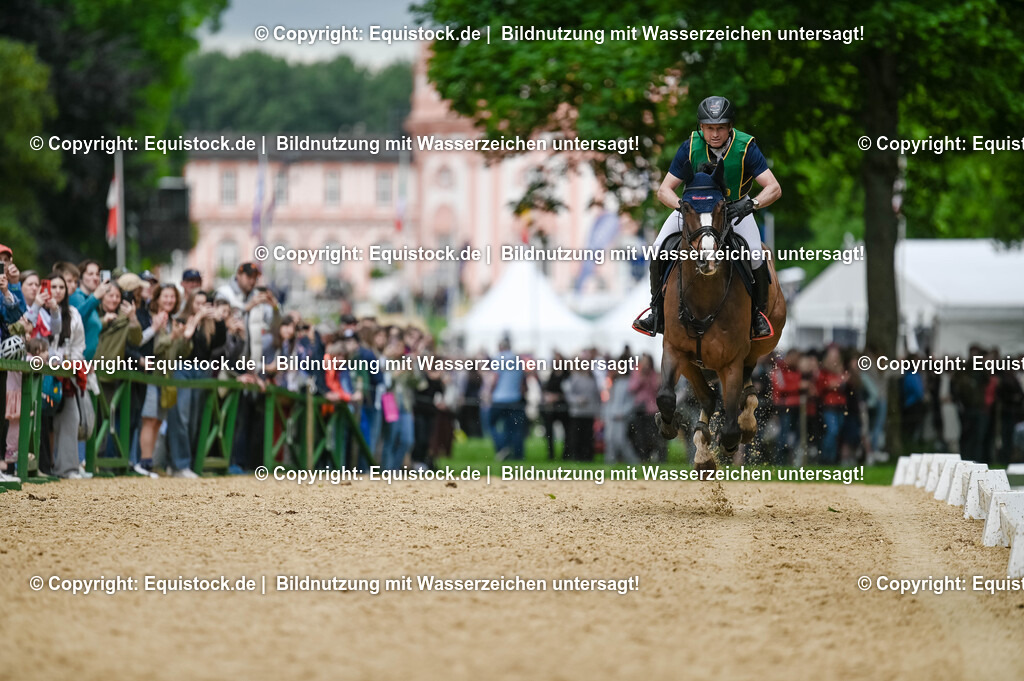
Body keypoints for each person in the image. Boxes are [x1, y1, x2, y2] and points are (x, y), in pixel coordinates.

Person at [633, 95, 782, 339]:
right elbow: (663, 190)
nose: (715, 134)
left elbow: (774, 188)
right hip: (694, 211)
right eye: (710, 128)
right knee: (658, 248)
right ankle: (656, 312)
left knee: (755, 253)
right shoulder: (690, 146)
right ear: (701, 128)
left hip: (735, 209)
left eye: (720, 128)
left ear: (730, 127)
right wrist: (683, 208)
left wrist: (751, 205)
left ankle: (757, 316)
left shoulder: (746, 147)